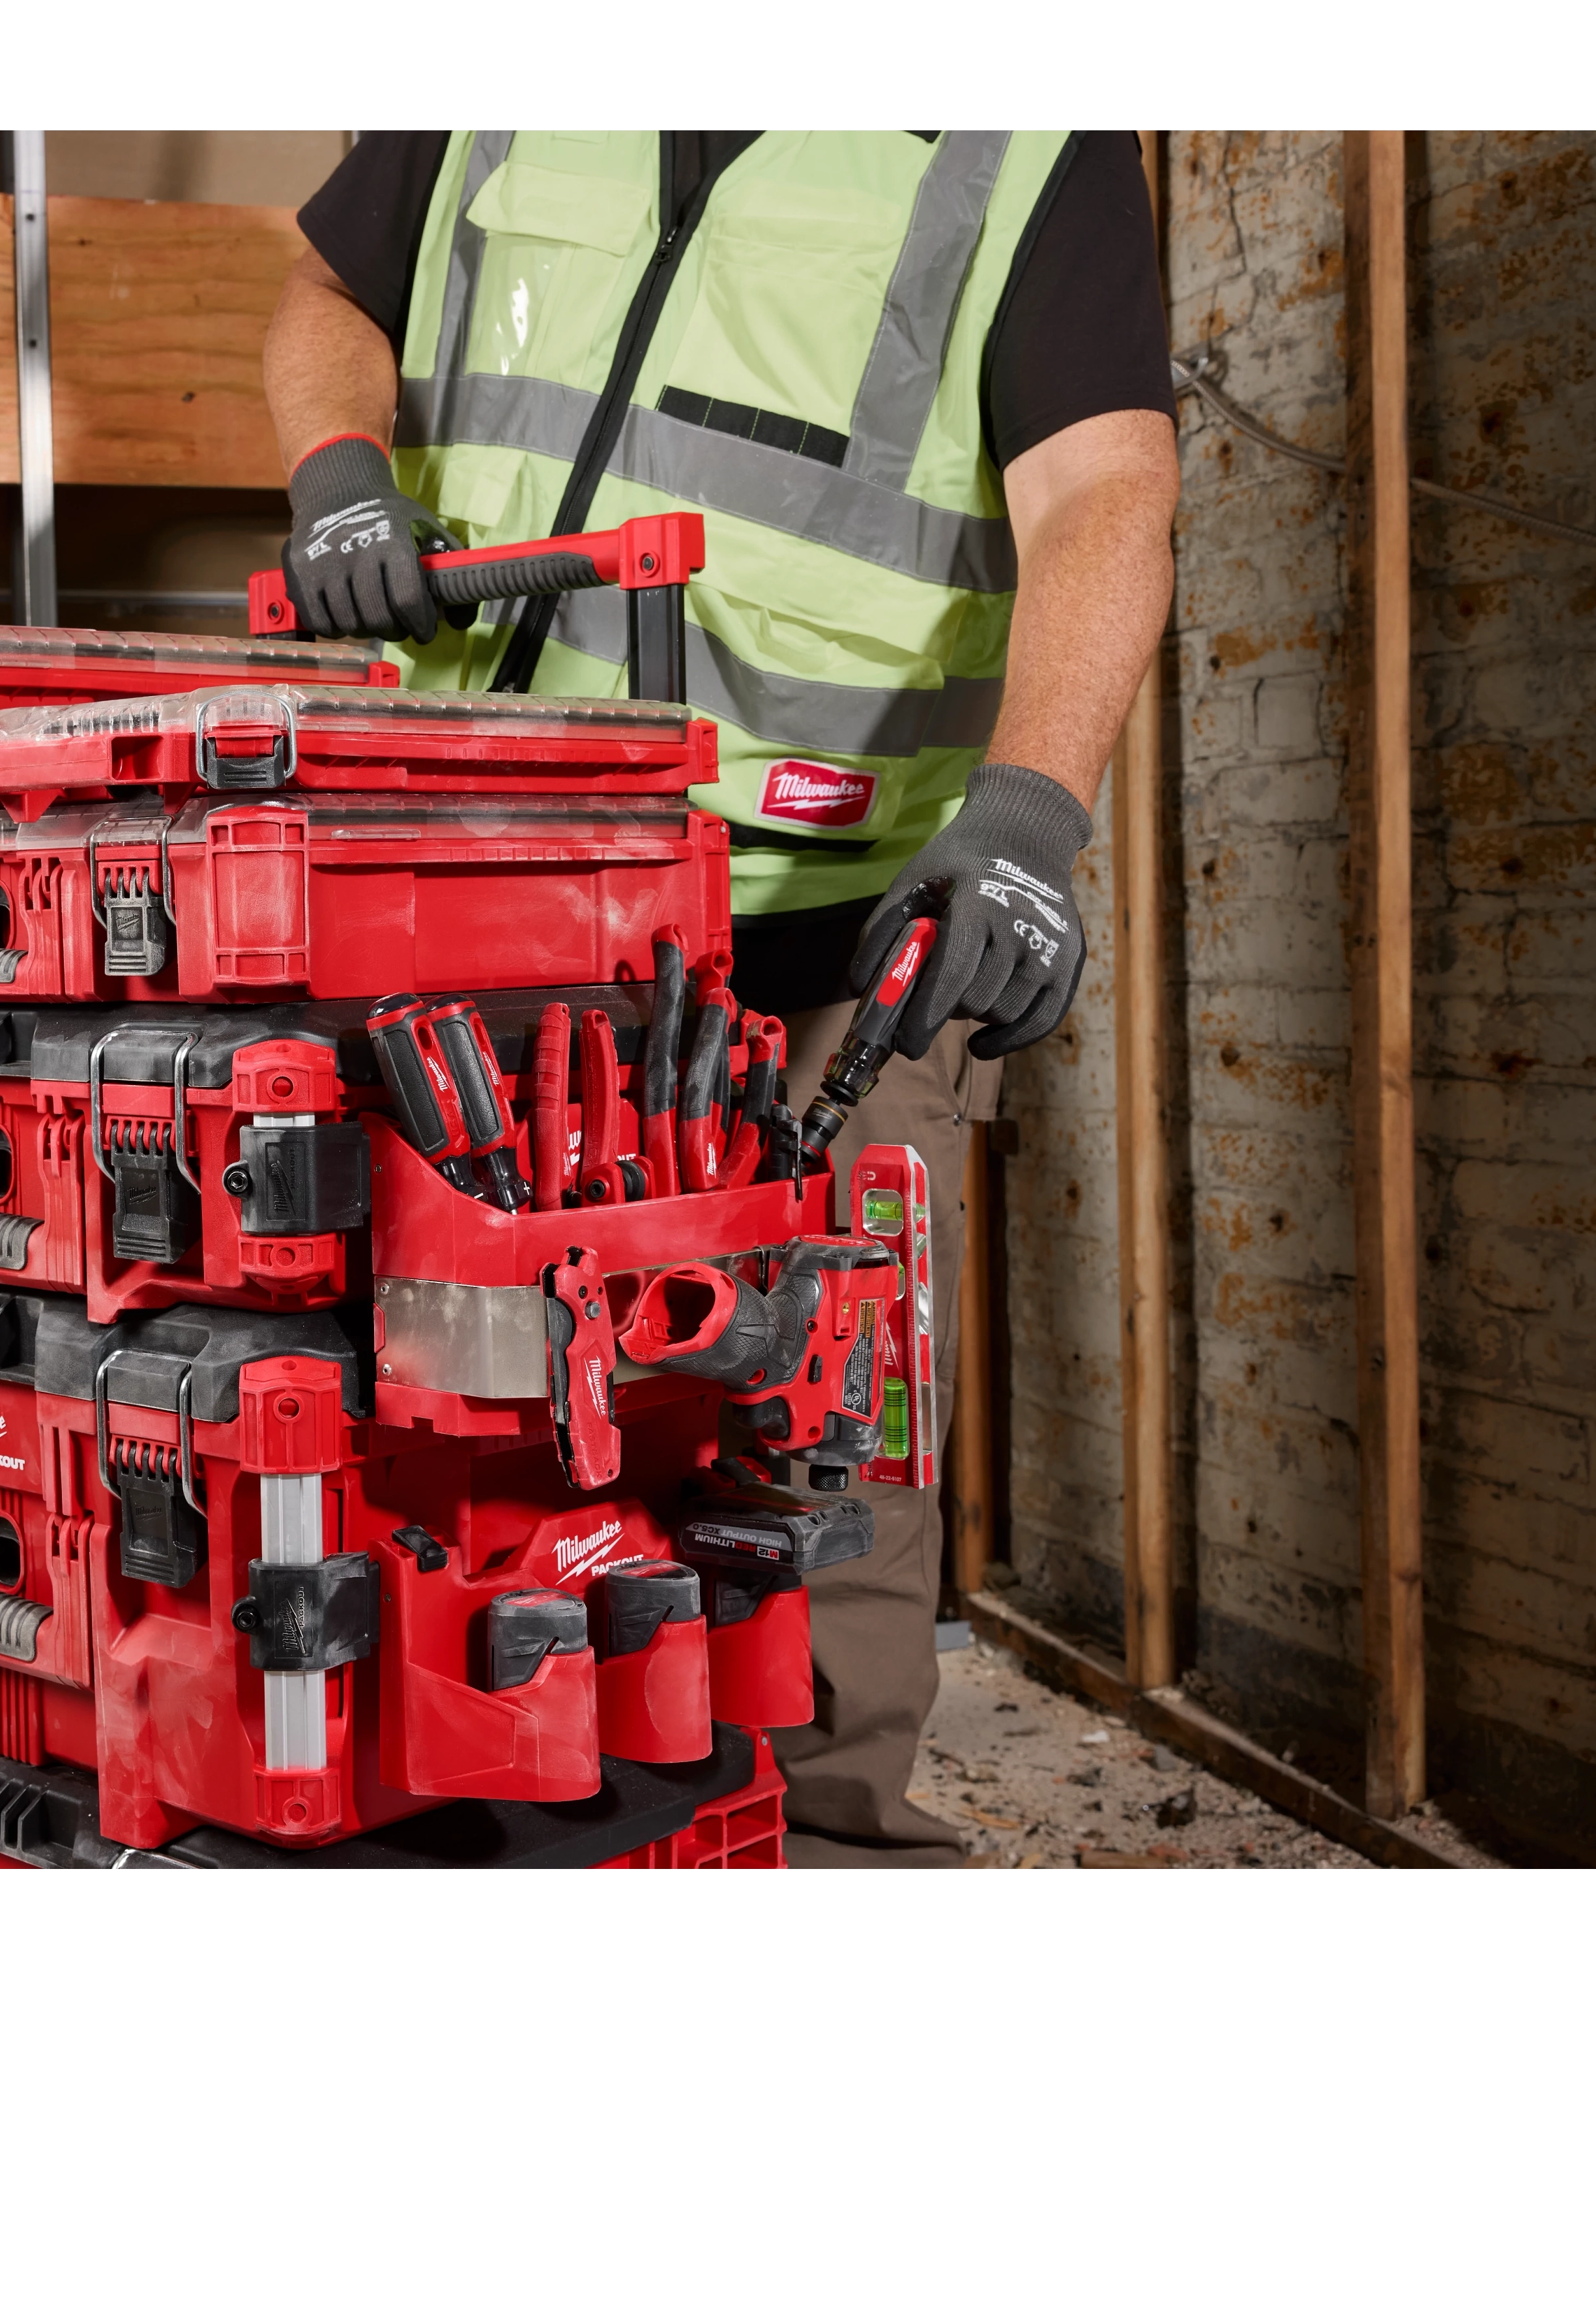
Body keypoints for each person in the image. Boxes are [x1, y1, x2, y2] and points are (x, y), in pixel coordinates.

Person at [262, 130, 1178, 1866]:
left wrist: (1026, 818)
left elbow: (1106, 488)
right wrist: (338, 470)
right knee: (450, 1409)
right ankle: (482, 1806)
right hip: (470, 891)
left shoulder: (1021, 153)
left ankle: (818, 1832)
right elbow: (328, 288)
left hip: (827, 939)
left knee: (825, 1426)